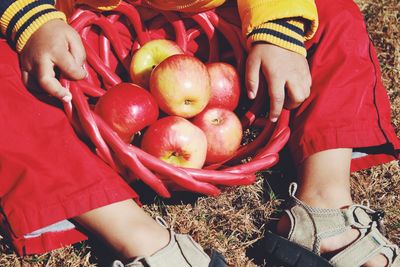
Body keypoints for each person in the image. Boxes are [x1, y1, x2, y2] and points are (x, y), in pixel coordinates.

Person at [0, 0, 399, 267]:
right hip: (84, 46)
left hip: (220, 32)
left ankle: (325, 208)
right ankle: (138, 237)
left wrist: (279, 27)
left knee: (331, 10)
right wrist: (30, 16)